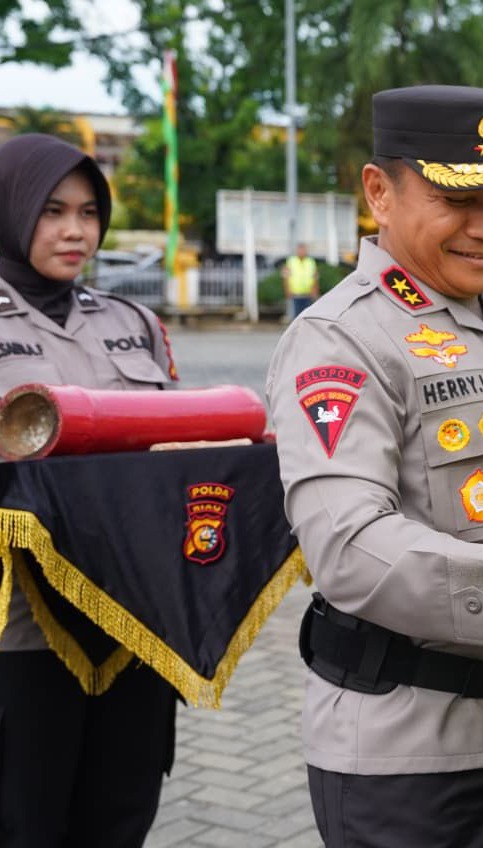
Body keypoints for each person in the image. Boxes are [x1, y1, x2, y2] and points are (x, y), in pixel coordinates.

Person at [265, 84, 483, 848]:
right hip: (408, 757)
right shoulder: (340, 339)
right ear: (378, 193)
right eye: (457, 199)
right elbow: (347, 545)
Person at [0, 134, 180, 846]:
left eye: (87, 212)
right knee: (25, 821)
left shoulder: (133, 324)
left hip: (131, 621)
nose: (76, 231)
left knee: (119, 814)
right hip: (19, 630)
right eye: (51, 211)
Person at [282, 241, 319, 319]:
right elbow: (285, 276)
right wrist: (287, 289)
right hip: (295, 294)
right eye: (300, 250)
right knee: (295, 316)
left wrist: (315, 290)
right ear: (297, 251)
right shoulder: (291, 261)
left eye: (304, 250)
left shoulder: (311, 262)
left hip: (308, 293)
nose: (302, 252)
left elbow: (315, 277)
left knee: (307, 316)